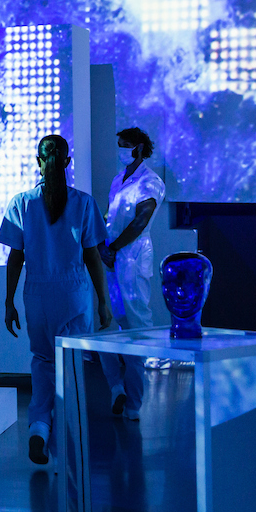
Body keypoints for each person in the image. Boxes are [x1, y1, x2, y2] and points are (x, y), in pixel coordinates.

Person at [0, 134, 114, 465]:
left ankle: (38, 428)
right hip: (73, 295)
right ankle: (68, 445)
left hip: (37, 296)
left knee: (42, 361)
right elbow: (92, 256)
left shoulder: (21, 203)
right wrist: (103, 301)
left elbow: (15, 258)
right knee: (72, 367)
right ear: (67, 162)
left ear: (38, 161)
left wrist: (8, 302)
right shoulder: (84, 203)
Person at [97, 127, 166, 418]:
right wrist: (103, 246)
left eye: (124, 145)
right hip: (112, 258)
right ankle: (117, 388)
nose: (120, 150)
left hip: (133, 258)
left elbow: (140, 222)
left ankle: (135, 404)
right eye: (119, 145)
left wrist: (113, 247)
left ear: (138, 148)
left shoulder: (151, 182)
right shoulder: (118, 179)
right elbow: (109, 216)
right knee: (106, 324)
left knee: (137, 328)